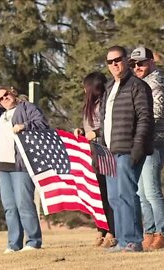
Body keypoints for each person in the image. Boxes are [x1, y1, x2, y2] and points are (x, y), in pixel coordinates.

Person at [100, 46, 154, 252]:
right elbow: (105, 119)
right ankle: (122, 241)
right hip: (109, 152)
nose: (114, 64)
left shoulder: (138, 86)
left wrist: (137, 150)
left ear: (126, 61)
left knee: (127, 194)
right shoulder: (108, 88)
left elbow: (145, 118)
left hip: (128, 150)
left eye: (117, 60)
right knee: (114, 197)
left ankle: (133, 241)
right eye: (109, 62)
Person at [0, 86, 49, 254]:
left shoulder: (27, 107)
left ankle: (33, 241)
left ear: (13, 91)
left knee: (24, 203)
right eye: (0, 98)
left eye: (6, 94)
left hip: (21, 164)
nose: (4, 98)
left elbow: (42, 124)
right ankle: (14, 244)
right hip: (3, 166)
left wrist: (24, 126)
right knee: (9, 206)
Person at [129, 46, 164, 250]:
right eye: (134, 64)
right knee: (141, 192)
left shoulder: (156, 85)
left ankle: (162, 234)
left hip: (154, 143)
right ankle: (149, 232)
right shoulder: (140, 84)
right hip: (141, 143)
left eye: (141, 63)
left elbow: (155, 115)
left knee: (152, 191)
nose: (137, 67)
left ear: (151, 62)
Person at [73, 72, 116, 248]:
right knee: (97, 195)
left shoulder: (105, 104)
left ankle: (113, 230)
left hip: (106, 153)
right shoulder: (88, 106)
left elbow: (109, 125)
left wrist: (96, 133)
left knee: (109, 196)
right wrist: (81, 132)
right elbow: (89, 127)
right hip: (92, 155)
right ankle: (101, 228)